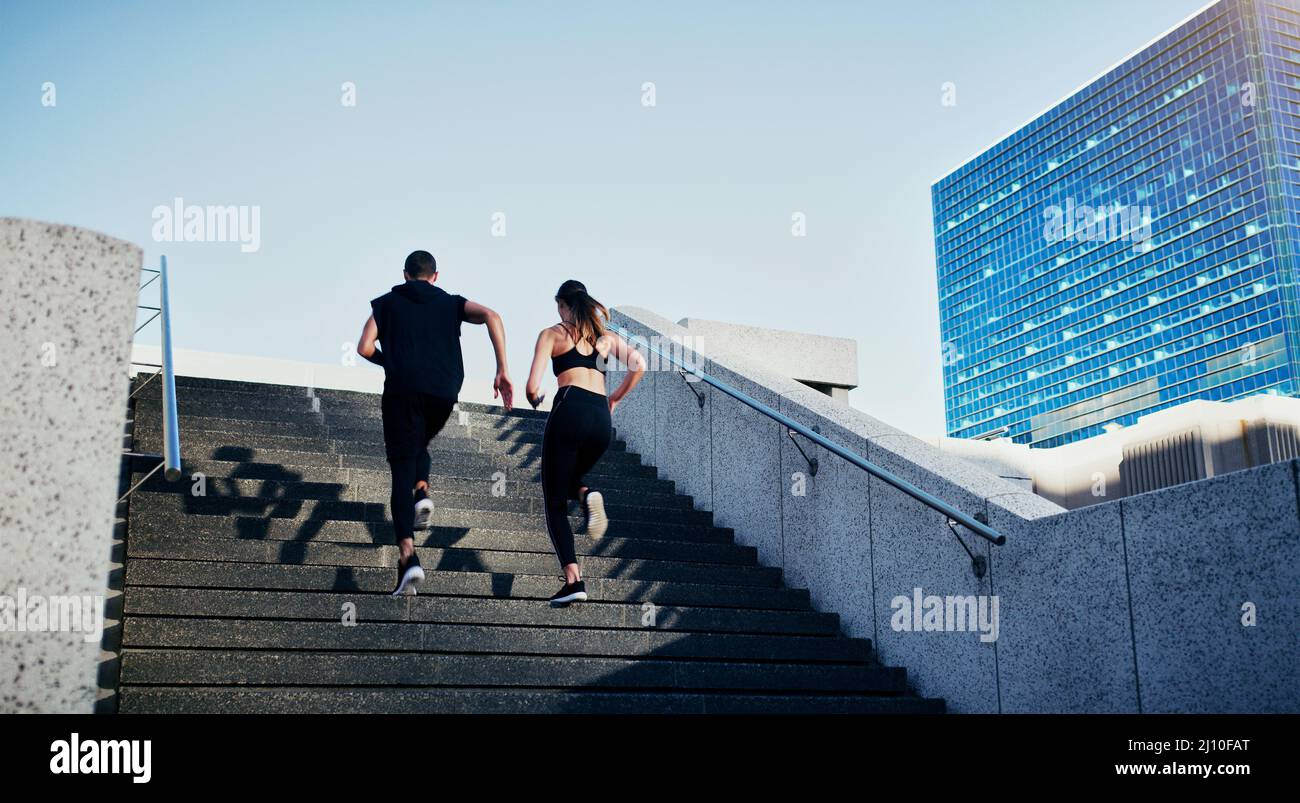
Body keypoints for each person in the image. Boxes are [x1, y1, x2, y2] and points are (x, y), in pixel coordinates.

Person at [357, 250, 513, 595]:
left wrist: (392, 362)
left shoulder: (385, 303)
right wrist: (502, 369)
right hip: (444, 391)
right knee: (419, 445)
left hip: (402, 390)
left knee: (401, 468)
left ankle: (408, 556)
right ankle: (423, 489)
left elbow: (365, 347)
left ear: (405, 274)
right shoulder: (452, 303)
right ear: (436, 276)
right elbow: (493, 315)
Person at [525, 280, 646, 606]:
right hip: (600, 418)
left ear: (563, 305)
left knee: (554, 501)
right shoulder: (604, 337)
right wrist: (615, 399)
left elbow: (533, 385)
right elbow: (640, 364)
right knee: (569, 481)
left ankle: (573, 580)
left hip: (570, 408)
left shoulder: (552, 334)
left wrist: (533, 396)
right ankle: (587, 493)